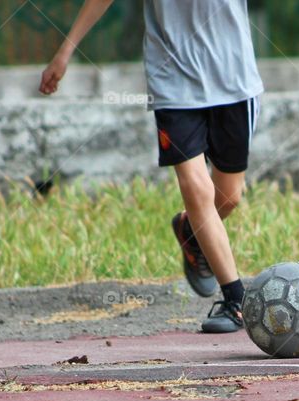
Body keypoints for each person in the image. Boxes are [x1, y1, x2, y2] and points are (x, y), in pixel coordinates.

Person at [40, 0, 264, 333]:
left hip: (233, 79)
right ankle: (236, 300)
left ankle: (191, 232)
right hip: (173, 83)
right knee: (196, 189)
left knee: (228, 198)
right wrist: (65, 51)